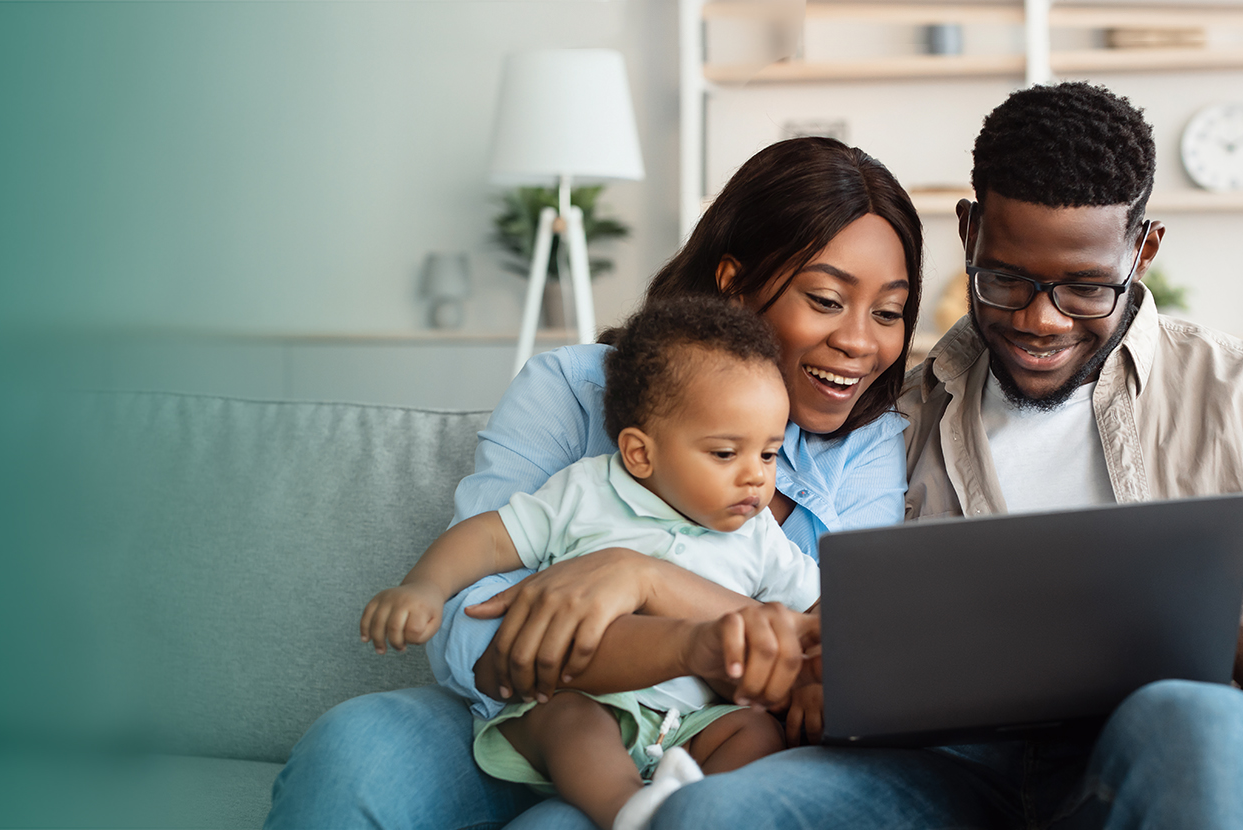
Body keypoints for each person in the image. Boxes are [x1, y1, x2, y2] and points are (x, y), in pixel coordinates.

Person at [651, 82, 1243, 830]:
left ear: (1144, 249)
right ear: (968, 232)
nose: (1041, 320)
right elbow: (781, 604)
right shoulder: (887, 419)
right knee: (709, 814)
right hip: (950, 776)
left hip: (1173, 758)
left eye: (1085, 288)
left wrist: (1198, 615)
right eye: (1006, 279)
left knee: (1195, 719)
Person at [264, 137, 924, 829]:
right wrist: (710, 645)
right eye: (825, 299)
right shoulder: (574, 389)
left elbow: (844, 657)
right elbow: (473, 622)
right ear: (734, 281)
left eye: (887, 312)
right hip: (540, 714)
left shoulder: (869, 447)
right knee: (352, 754)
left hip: (706, 738)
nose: (860, 341)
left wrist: (639, 578)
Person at [362, 298, 823, 830]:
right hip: (588, 699)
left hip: (694, 723)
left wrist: (811, 683)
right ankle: (630, 813)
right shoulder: (588, 491)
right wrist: (423, 586)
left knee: (756, 731)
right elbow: (490, 538)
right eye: (725, 453)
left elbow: (817, 616)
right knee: (569, 719)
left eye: (768, 454)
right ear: (640, 454)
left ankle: (696, 812)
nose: (755, 478)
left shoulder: (759, 534)